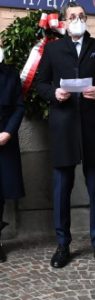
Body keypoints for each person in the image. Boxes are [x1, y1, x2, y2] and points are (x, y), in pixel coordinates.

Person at [36, 2, 95, 269]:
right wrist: (54, 94)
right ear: (64, 21)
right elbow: (41, 83)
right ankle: (62, 245)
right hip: (63, 127)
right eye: (73, 16)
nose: (78, 19)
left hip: (92, 128)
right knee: (61, 190)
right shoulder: (54, 49)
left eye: (82, 16)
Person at [0, 47, 25, 262]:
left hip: (4, 142)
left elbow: (19, 106)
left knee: (0, 193)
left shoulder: (10, 73)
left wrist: (8, 132)